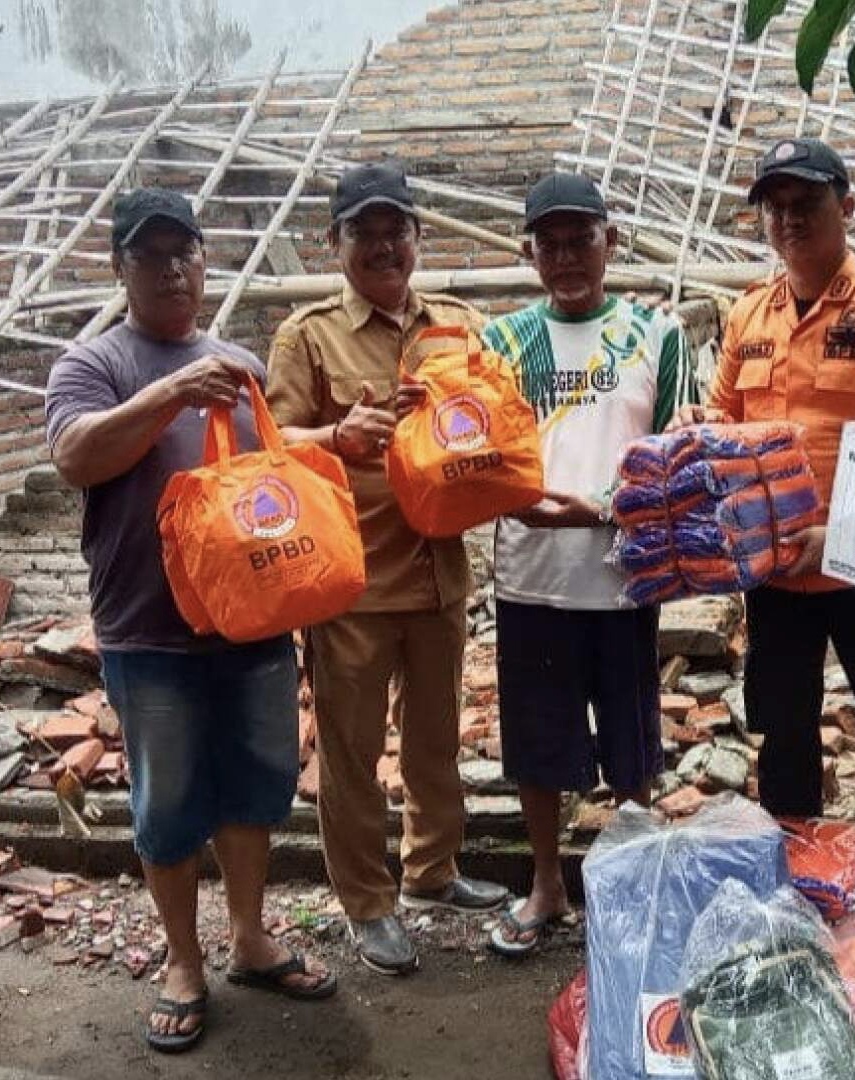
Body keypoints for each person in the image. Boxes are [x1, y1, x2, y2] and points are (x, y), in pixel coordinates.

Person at [46, 188, 335, 1054]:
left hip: (249, 621)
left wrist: (337, 437)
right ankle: (183, 960)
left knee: (252, 787)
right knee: (167, 805)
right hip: (150, 630)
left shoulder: (237, 362)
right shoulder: (92, 366)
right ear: (120, 269)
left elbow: (262, 465)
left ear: (205, 262)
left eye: (186, 252)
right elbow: (76, 456)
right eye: (151, 255)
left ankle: (248, 938)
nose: (172, 268)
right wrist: (171, 390)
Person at [671, 138, 855, 906]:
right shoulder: (748, 315)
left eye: (808, 205)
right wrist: (698, 422)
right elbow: (726, 421)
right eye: (776, 208)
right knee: (784, 739)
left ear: (847, 208)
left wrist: (845, 536)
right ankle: (798, 900)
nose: (789, 220)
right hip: (775, 575)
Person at [266, 163, 509, 976]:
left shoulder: (458, 325)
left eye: (394, 229)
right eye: (362, 232)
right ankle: (368, 903)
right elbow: (271, 447)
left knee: (436, 741)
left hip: (440, 574)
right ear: (333, 244)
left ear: (416, 238)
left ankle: (433, 871)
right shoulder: (308, 336)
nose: (381, 245)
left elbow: (493, 420)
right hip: (354, 584)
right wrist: (335, 439)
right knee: (352, 754)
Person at [480, 173, 695, 956]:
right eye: (551, 242)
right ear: (529, 250)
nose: (567, 256)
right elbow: (479, 452)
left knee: (632, 744)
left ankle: (632, 880)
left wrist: (601, 506)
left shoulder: (658, 335)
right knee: (538, 742)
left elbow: (679, 456)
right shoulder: (498, 343)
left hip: (624, 575)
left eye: (582, 239)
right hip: (531, 574)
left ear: (612, 240)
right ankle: (546, 886)